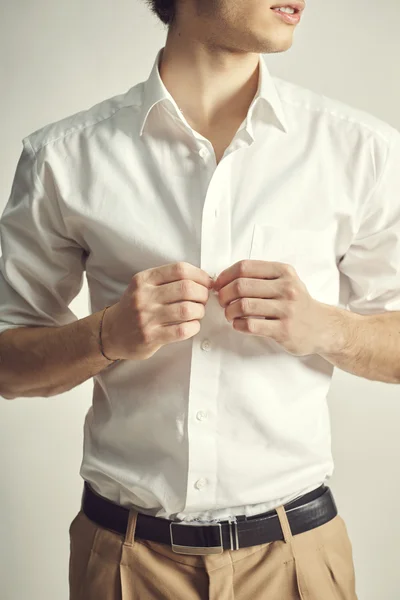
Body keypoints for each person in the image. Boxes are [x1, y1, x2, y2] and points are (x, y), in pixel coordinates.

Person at [1, 0, 400, 598]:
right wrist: (105, 335)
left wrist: (327, 329)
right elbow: (8, 366)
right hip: (123, 564)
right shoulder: (63, 157)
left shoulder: (361, 150)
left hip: (298, 562)